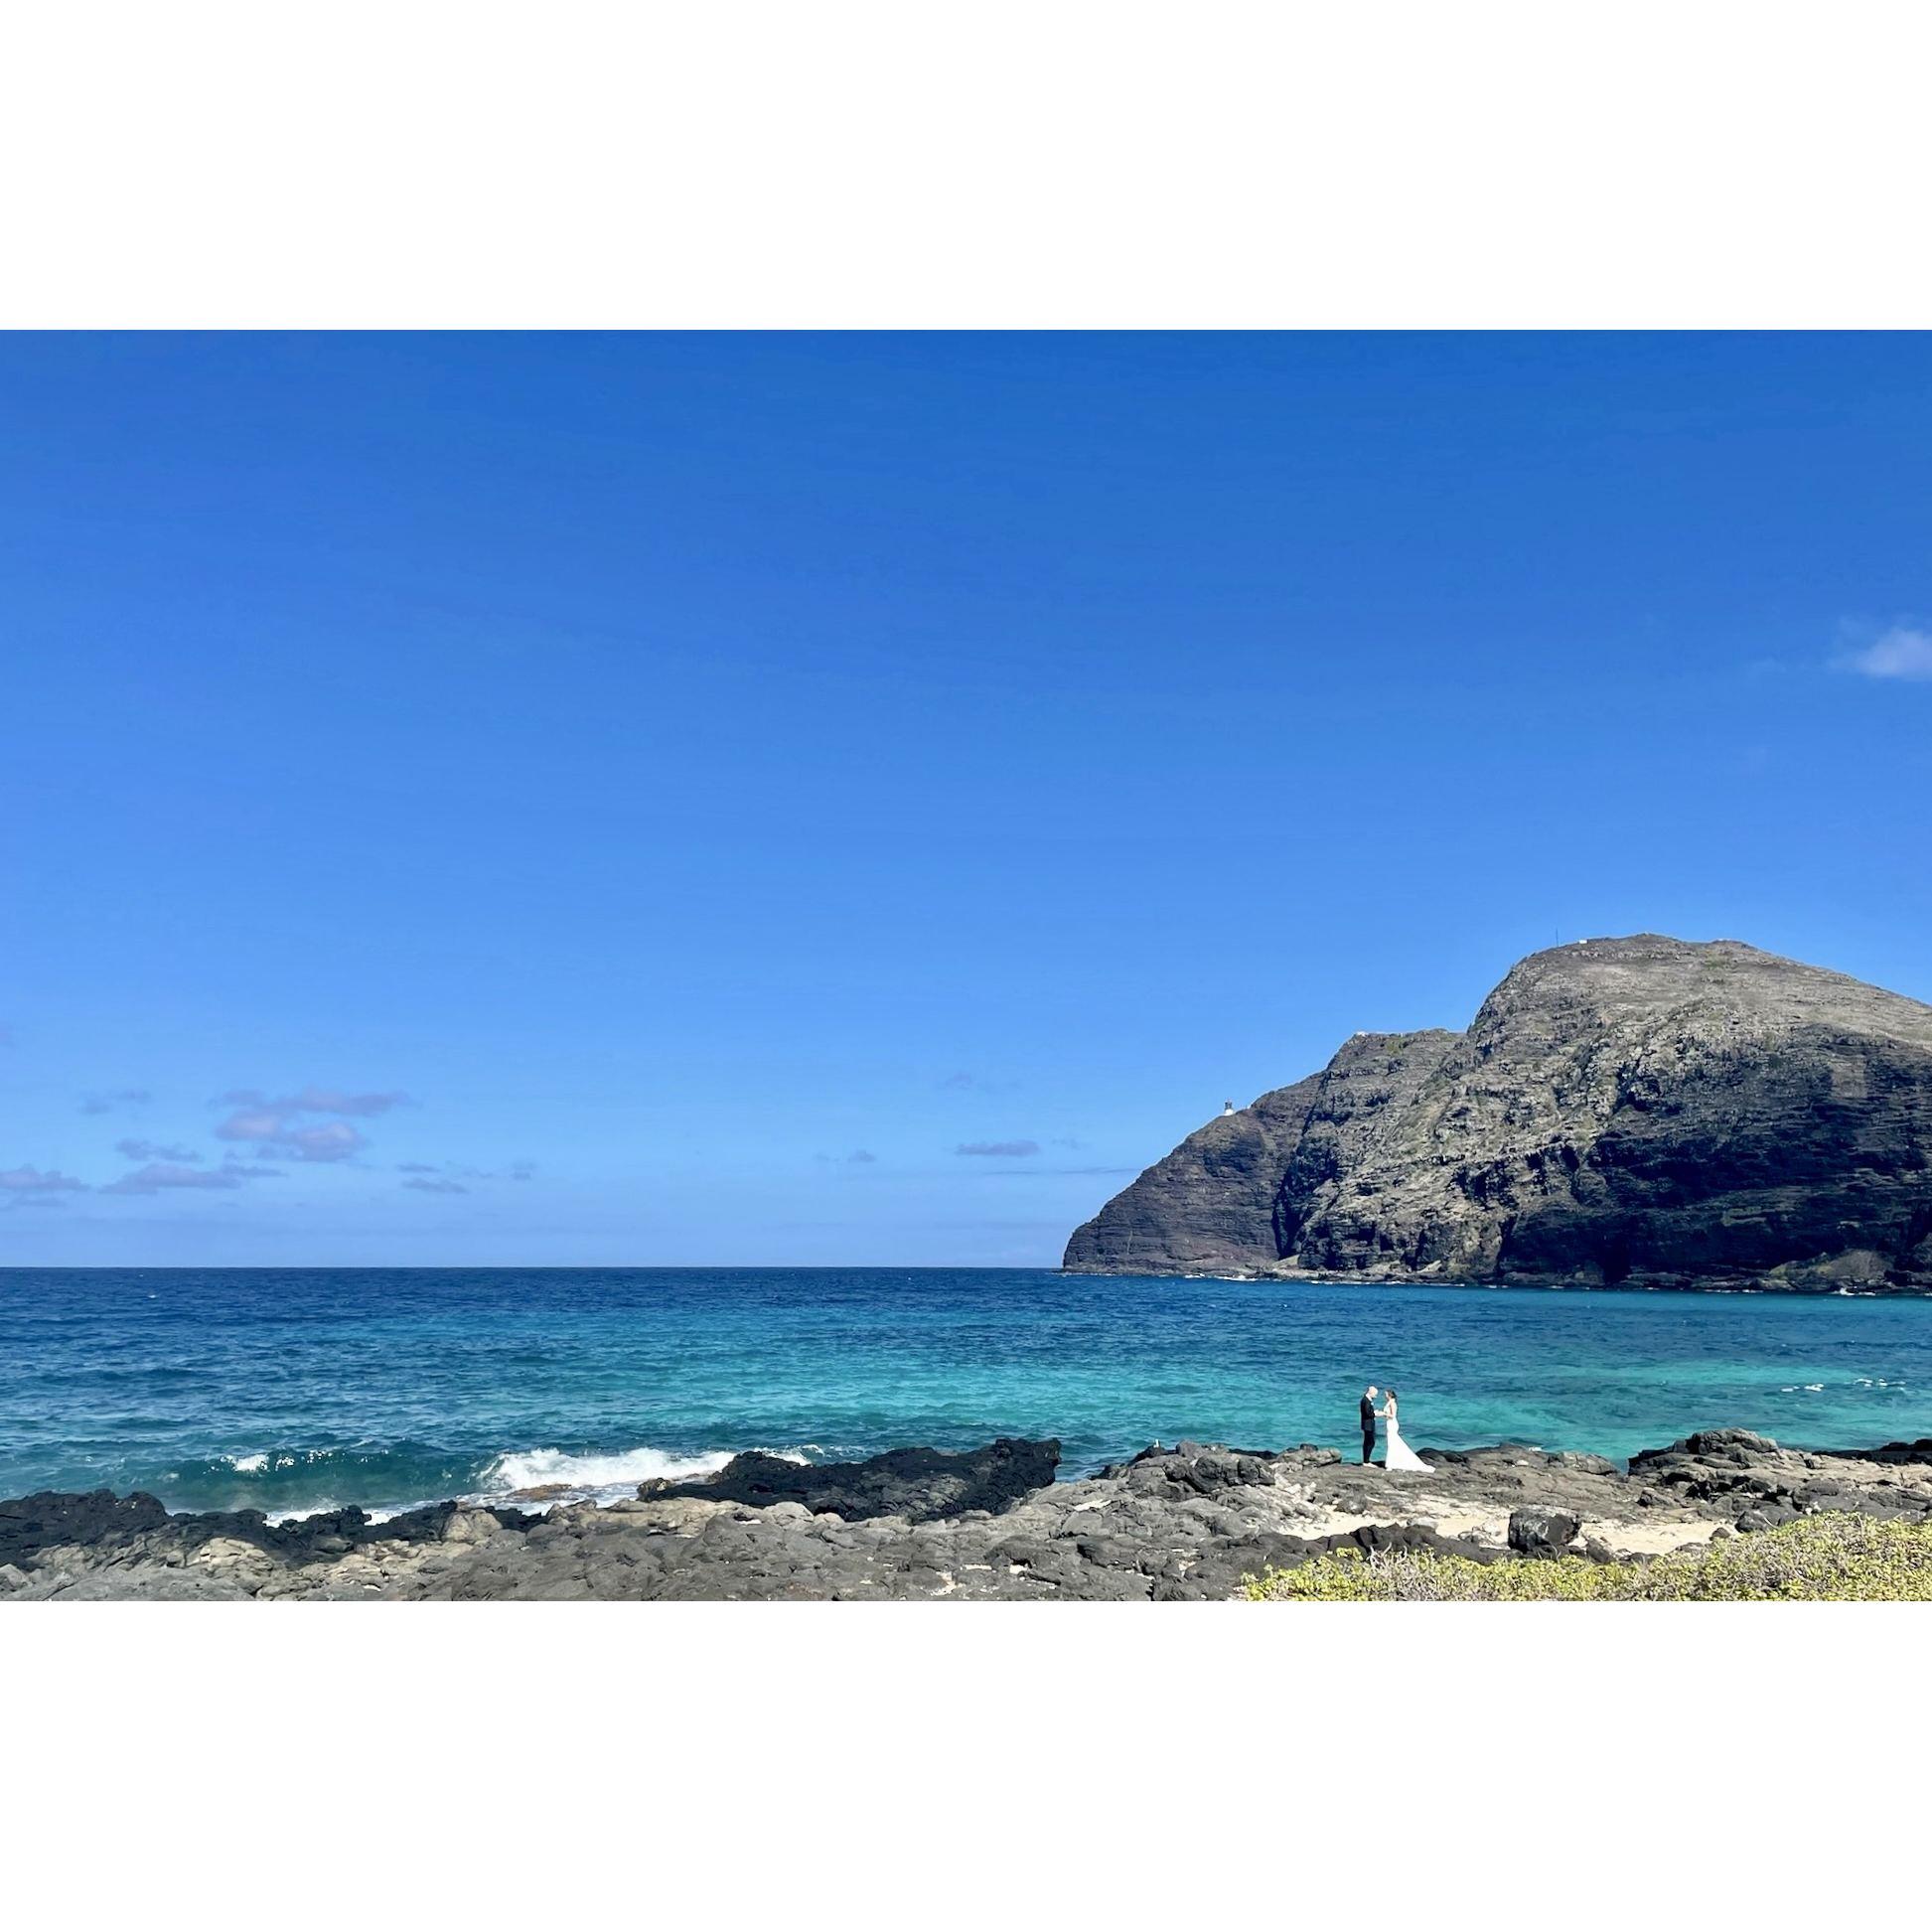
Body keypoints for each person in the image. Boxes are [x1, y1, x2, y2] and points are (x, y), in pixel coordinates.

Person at [1377, 1388, 1433, 1474]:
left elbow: (1393, 1415)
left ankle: (1391, 1464)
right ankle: (1393, 1462)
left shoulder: (1393, 1404)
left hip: (1392, 1423)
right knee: (1392, 1442)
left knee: (1392, 1442)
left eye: (1386, 1394)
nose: (1384, 1396)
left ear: (1389, 1395)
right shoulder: (1390, 1402)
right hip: (1389, 1423)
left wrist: (1382, 1414)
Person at [1359, 1385, 1379, 1465]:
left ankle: (1366, 1460)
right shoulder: (1366, 1400)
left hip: (1367, 1424)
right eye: (1375, 1394)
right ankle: (1366, 1461)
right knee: (1370, 1442)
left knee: (1368, 1442)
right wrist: (1375, 1414)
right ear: (1371, 1392)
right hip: (1368, 1425)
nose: (1376, 1396)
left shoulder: (1366, 1399)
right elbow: (1367, 1413)